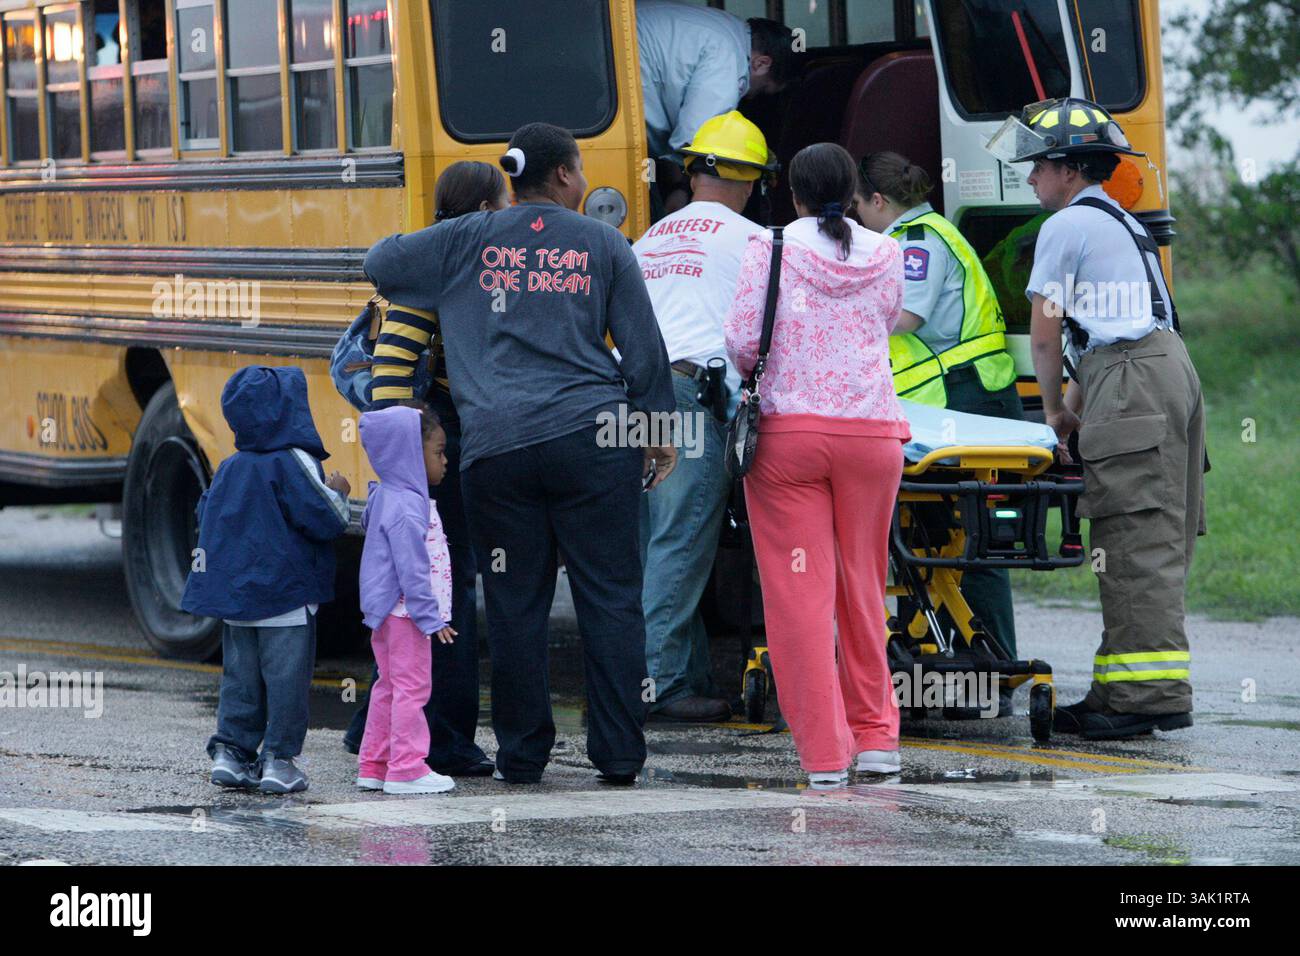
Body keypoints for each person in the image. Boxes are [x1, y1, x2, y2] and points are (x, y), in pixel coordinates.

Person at [363, 122, 677, 785]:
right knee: (612, 598)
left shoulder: (465, 238)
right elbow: (645, 351)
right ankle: (618, 754)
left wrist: (449, 239)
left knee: (514, 603)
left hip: (496, 449)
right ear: (562, 175)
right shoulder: (603, 242)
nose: (587, 180)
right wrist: (658, 430)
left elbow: (381, 263)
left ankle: (523, 755)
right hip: (595, 439)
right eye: (582, 168)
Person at [1002, 96, 1205, 740]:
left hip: (1133, 380)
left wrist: (1054, 409)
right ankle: (1124, 690)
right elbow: (1105, 340)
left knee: (1132, 537)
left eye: (1037, 166)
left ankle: (1145, 697)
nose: (1031, 177)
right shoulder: (1117, 218)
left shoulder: (1065, 225)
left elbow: (1046, 334)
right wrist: (1077, 415)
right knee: (1136, 539)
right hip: (1154, 374)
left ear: (1066, 168)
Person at [724, 143, 910, 789]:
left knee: (799, 594)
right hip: (873, 437)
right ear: (856, 192)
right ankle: (878, 738)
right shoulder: (886, 252)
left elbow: (744, 341)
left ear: (793, 194)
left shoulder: (770, 249)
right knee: (863, 583)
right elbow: (884, 323)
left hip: (791, 438)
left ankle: (826, 756)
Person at [343, 161, 511, 778]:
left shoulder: (443, 261)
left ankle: (375, 727)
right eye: (500, 205)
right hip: (444, 443)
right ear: (485, 210)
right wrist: (413, 455)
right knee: (445, 585)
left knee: (431, 587)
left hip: (451, 439)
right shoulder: (438, 270)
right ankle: (442, 739)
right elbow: (391, 369)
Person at [856, 151, 1025, 687]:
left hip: (970, 400)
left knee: (971, 540)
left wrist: (837, 314)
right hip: (951, 403)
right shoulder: (917, 236)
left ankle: (992, 664)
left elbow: (908, 316)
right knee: (934, 537)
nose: (858, 220)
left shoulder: (919, 241)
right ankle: (934, 658)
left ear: (879, 201)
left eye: (860, 207)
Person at [631, 111, 776, 724]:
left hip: (631, 393)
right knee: (682, 539)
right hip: (693, 396)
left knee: (652, 539)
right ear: (749, 183)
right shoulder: (758, 241)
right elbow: (768, 334)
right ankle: (660, 684)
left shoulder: (650, 238)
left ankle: (678, 676)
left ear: (691, 173)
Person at [181, 366, 351, 795]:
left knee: (241, 679)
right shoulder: (293, 461)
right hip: (286, 599)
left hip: (237, 601)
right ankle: (279, 759)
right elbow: (326, 519)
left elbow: (205, 515)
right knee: (286, 683)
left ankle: (232, 753)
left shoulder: (230, 466)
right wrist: (340, 492)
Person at [355, 402, 459, 795]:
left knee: (389, 685)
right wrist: (430, 617)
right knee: (413, 688)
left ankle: (374, 763)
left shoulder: (386, 495)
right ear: (410, 456)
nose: (445, 461)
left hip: (386, 614)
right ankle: (406, 768)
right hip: (407, 614)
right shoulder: (409, 507)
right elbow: (413, 569)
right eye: (438, 452)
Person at [636, 1, 793, 212]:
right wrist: (681, 190)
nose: (750, 97)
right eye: (762, 90)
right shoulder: (729, 60)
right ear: (761, 64)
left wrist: (676, 186)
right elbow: (695, 140)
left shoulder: (727, 28)